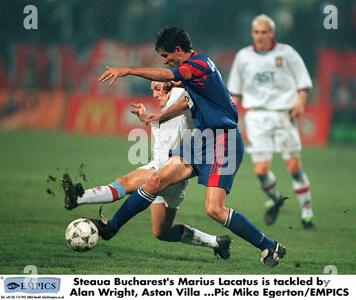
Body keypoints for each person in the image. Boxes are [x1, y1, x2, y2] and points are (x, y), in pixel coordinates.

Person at [94, 26, 286, 267]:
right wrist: (159, 117)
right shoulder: (193, 72)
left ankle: (270, 246)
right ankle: (111, 228)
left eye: (166, 56)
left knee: (214, 209)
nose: (166, 62)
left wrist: (128, 70)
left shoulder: (199, 65)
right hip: (202, 140)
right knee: (155, 182)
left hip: (223, 141)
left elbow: (165, 76)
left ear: (177, 50)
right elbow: (187, 100)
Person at [62, 81, 232, 259]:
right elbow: (166, 129)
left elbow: (182, 86)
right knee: (162, 232)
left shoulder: (181, 98)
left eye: (158, 88)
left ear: (171, 85)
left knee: (125, 182)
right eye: (152, 90)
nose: (154, 94)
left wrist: (130, 72)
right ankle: (217, 242)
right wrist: (146, 119)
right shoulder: (167, 109)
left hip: (171, 172)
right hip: (162, 171)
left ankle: (78, 197)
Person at [227, 14, 315, 230]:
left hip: (283, 115)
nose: (260, 36)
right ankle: (276, 198)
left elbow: (303, 84)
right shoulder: (243, 56)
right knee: (260, 170)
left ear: (272, 33)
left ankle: (307, 213)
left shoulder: (287, 53)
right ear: (252, 34)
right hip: (256, 117)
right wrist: (229, 114)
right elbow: (235, 92)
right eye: (256, 32)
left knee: (293, 166)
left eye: (264, 32)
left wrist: (300, 103)